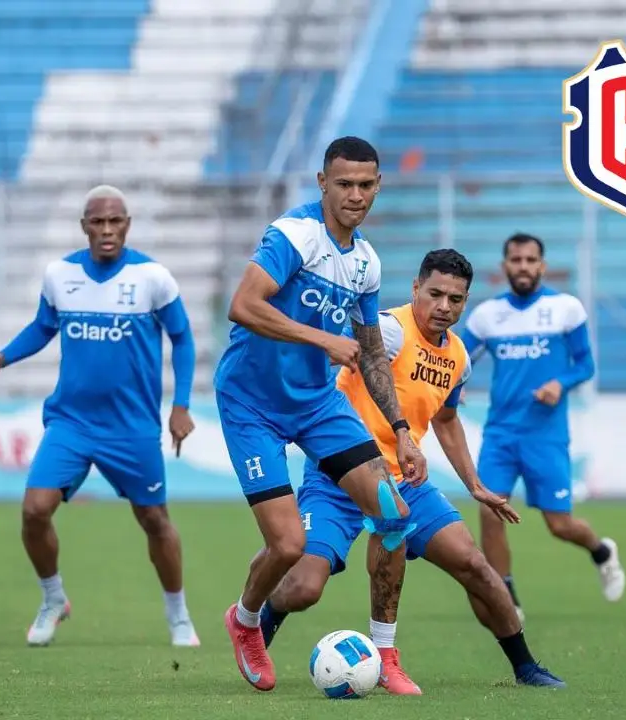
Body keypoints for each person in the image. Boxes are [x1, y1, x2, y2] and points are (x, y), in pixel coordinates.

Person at [257, 249, 566, 691]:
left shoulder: (458, 357)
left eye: (456, 299)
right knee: (304, 588)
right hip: (338, 479)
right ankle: (259, 625)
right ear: (415, 289)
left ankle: (525, 667)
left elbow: (445, 419)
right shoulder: (387, 329)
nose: (444, 306)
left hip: (404, 481)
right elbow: (328, 355)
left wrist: (474, 484)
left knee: (475, 566)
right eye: (435, 294)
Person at [214, 136, 427, 692]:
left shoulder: (366, 262)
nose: (355, 195)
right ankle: (245, 619)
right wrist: (320, 339)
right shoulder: (296, 235)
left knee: (393, 512)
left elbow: (373, 352)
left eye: (366, 185)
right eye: (344, 184)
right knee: (286, 546)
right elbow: (242, 305)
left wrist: (401, 431)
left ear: (378, 186)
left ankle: (385, 654)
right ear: (323, 183)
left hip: (314, 403)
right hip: (250, 402)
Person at [0, 185, 200, 648]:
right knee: (34, 510)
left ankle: (178, 615)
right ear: (84, 226)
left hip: (131, 427)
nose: (107, 230)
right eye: (98, 221)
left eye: (116, 221)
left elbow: (184, 338)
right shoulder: (61, 275)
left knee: (155, 521)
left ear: (128, 225)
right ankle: (54, 599)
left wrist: (181, 405)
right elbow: (42, 327)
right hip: (71, 422)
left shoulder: (153, 277)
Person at [460, 233, 625, 621]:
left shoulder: (565, 309)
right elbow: (456, 356)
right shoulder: (488, 315)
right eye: (515, 260)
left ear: (542, 266)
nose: (523, 267)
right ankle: (506, 596)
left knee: (560, 524)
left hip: (545, 435)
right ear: (504, 267)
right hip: (500, 433)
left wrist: (560, 383)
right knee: (489, 510)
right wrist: (455, 383)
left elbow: (585, 365)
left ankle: (601, 551)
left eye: (530, 260)